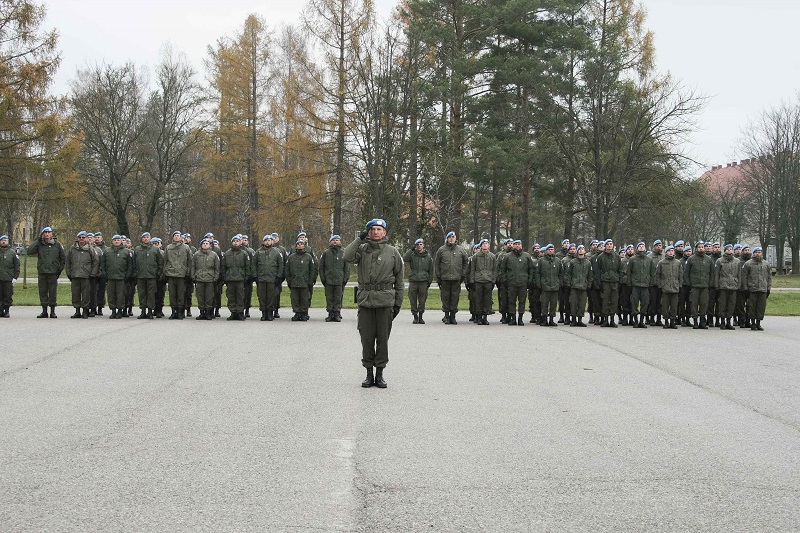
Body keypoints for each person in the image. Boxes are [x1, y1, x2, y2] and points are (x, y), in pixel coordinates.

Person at [344, 218, 404, 389]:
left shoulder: (393, 252)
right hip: (366, 302)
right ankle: (369, 373)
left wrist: (397, 303)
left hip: (385, 303)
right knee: (367, 339)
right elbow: (347, 256)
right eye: (372, 229)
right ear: (368, 232)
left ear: (384, 232)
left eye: (379, 229)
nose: (376, 232)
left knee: (383, 340)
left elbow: (399, 281)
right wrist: (359, 239)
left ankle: (380, 373)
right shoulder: (362, 250)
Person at [26, 226, 65, 318]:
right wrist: (38, 241)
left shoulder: (57, 244)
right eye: (45, 233)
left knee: (52, 292)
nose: (47, 234)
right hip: (42, 271)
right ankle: (44, 310)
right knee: (42, 291)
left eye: (48, 232)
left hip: (53, 272)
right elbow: (29, 251)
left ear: (51, 234)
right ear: (43, 234)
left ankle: (52, 311)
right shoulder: (40, 244)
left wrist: (59, 269)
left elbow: (63, 258)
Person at [435, 231, 468, 324]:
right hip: (445, 278)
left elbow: (466, 262)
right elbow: (437, 264)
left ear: (456, 238)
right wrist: (438, 276)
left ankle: (453, 316)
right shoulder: (441, 250)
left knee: (455, 297)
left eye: (453, 237)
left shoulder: (461, 250)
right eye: (450, 237)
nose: (452, 238)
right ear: (447, 239)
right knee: (445, 297)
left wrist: (463, 274)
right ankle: (446, 316)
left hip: (456, 278)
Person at [65, 231, 100, 319]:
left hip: (86, 275)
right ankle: (77, 311)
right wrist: (69, 272)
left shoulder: (90, 249)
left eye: (83, 237)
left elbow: (96, 262)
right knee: (75, 293)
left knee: (85, 295)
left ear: (86, 238)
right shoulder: (72, 249)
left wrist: (93, 273)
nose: (81, 239)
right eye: (80, 237)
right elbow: (68, 261)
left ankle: (85, 311)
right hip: (75, 275)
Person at [501, 239, 534, 326]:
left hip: (523, 283)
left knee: (522, 301)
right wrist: (505, 280)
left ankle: (520, 318)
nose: (517, 246)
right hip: (512, 283)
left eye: (519, 244)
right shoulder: (507, 256)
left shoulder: (526, 256)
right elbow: (502, 270)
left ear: (521, 246)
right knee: (512, 301)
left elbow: (531, 269)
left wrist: (529, 280)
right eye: (516, 244)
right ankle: (513, 318)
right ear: (513, 246)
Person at [251, 234, 284, 321]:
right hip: (261, 278)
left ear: (272, 241)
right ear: (263, 241)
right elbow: (253, 265)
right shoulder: (258, 252)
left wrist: (279, 276)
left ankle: (270, 313)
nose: (267, 242)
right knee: (262, 297)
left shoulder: (276, 252)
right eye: (266, 240)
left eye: (269, 240)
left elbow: (281, 265)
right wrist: (255, 276)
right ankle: (263, 313)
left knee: (271, 297)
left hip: (272, 278)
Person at [101, 235, 134, 319]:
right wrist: (105, 274)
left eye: (118, 240)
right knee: (111, 295)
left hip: (121, 278)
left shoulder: (126, 252)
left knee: (121, 295)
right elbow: (103, 264)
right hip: (110, 278)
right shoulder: (107, 251)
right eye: (115, 240)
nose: (116, 241)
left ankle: (120, 311)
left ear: (121, 241)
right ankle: (113, 311)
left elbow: (130, 265)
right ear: (112, 241)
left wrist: (127, 276)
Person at [319, 234, 350, 322]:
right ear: (330, 242)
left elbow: (347, 268)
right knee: (329, 297)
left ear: (340, 241)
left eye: (337, 240)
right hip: (328, 279)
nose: (335, 242)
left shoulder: (344, 252)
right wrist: (323, 279)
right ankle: (330, 313)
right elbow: (321, 267)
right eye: (333, 240)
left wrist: (345, 279)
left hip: (339, 280)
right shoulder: (326, 253)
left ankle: (337, 313)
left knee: (338, 297)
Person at [404, 238, 434, 324]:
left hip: (423, 281)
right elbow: (404, 258)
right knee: (412, 299)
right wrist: (411, 250)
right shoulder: (412, 255)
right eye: (417, 245)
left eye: (421, 244)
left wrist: (429, 281)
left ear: (423, 245)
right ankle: (415, 316)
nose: (419, 246)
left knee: (422, 300)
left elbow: (431, 270)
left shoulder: (428, 256)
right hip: (413, 280)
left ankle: (421, 316)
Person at [285, 239, 317, 321]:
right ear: (296, 246)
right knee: (295, 298)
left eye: (301, 244)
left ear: (304, 246)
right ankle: (297, 313)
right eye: (298, 244)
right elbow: (287, 270)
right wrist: (289, 280)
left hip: (305, 282)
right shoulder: (291, 257)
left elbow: (312, 270)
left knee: (304, 299)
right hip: (294, 282)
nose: (299, 245)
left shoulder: (308, 257)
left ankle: (304, 313)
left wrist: (310, 281)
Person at [134, 232, 164, 319]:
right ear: (142, 239)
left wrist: (158, 273)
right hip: (141, 276)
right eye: (144, 237)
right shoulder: (137, 249)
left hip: (151, 276)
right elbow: (134, 263)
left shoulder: (155, 249)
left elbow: (160, 262)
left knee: (151, 294)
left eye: (147, 237)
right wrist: (136, 273)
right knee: (142, 294)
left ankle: (150, 311)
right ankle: (143, 311)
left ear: (150, 238)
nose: (146, 239)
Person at [164, 230, 193, 319]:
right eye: (175, 235)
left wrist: (187, 272)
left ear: (181, 237)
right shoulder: (168, 248)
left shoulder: (186, 248)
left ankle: (180, 312)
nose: (176, 237)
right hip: (171, 273)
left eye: (178, 235)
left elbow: (189, 261)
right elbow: (165, 261)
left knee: (181, 294)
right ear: (173, 237)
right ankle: (173, 312)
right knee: (172, 294)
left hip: (181, 274)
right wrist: (165, 271)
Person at [685, 241, 713, 329]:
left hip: (704, 286)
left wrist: (709, 283)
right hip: (694, 286)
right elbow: (686, 273)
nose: (701, 248)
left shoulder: (708, 259)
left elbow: (712, 273)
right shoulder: (691, 259)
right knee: (694, 303)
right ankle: (695, 321)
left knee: (704, 303)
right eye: (699, 247)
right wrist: (689, 284)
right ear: (696, 248)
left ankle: (702, 321)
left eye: (702, 247)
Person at [222, 235, 251, 321]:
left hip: (240, 279)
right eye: (234, 241)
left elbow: (247, 267)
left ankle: (240, 312)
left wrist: (246, 277)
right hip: (230, 279)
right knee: (231, 296)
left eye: (237, 241)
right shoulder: (227, 254)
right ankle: (233, 312)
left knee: (240, 296)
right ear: (232, 242)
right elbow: (223, 267)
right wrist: (225, 277)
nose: (235, 242)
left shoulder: (244, 253)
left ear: (240, 242)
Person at [742, 246, 771, 331]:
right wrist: (746, 288)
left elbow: (769, 277)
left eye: (759, 252)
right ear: (754, 253)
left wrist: (768, 288)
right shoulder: (748, 264)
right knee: (752, 306)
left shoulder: (766, 264)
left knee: (761, 307)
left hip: (762, 288)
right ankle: (753, 323)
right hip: (752, 289)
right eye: (756, 252)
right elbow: (745, 277)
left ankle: (758, 323)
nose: (758, 254)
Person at [468, 238, 496, 325]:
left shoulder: (492, 256)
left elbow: (494, 270)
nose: (485, 245)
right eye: (483, 243)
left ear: (489, 245)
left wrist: (493, 281)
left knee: (487, 300)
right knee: (478, 299)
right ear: (480, 246)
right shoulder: (476, 256)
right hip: (478, 280)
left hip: (488, 280)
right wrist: (471, 281)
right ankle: (479, 317)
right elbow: (472, 269)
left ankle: (485, 316)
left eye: (486, 243)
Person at [627, 242, 654, 328]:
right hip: (635, 285)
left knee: (645, 304)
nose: (642, 247)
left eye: (643, 246)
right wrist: (629, 283)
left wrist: (650, 283)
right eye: (640, 246)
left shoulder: (649, 260)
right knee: (634, 303)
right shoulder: (632, 259)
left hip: (645, 285)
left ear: (645, 248)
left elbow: (652, 272)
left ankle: (642, 321)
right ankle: (635, 321)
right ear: (637, 248)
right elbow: (629, 272)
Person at [192, 238, 221, 320]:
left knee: (209, 297)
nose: (205, 244)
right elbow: (193, 266)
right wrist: (193, 276)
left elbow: (217, 268)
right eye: (203, 243)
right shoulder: (196, 254)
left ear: (210, 245)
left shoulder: (214, 255)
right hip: (200, 278)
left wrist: (216, 277)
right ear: (201, 245)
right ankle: (201, 312)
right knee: (200, 296)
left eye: (207, 243)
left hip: (210, 279)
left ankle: (208, 313)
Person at [655, 245, 682, 329]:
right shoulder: (661, 262)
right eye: (669, 251)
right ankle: (666, 321)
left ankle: (672, 322)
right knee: (665, 306)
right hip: (665, 288)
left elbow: (680, 275)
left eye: (672, 251)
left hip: (675, 288)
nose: (671, 252)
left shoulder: (678, 262)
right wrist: (660, 285)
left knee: (674, 306)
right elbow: (657, 275)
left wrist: (679, 285)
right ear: (666, 252)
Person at [596, 239, 622, 327]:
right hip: (605, 282)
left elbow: (619, 270)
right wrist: (599, 282)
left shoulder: (617, 256)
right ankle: (605, 319)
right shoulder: (600, 257)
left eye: (611, 244)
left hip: (614, 281)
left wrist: (618, 280)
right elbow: (598, 270)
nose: (610, 246)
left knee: (614, 301)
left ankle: (612, 319)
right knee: (605, 301)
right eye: (608, 244)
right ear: (605, 246)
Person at [714, 244, 740, 330]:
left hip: (733, 285)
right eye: (728, 249)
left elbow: (739, 274)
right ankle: (722, 322)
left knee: (731, 304)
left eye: (731, 249)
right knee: (722, 304)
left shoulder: (737, 261)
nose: (729, 250)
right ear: (725, 250)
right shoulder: (719, 261)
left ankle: (729, 321)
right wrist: (717, 285)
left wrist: (738, 284)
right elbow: (717, 274)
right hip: (723, 286)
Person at [567, 244, 593, 327]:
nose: (581, 250)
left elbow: (590, 275)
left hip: (583, 286)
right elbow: (568, 274)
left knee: (582, 304)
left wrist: (588, 284)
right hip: (574, 286)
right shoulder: (573, 262)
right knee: (573, 303)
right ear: (577, 251)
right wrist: (569, 283)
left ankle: (580, 320)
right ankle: (573, 319)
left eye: (583, 249)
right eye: (580, 249)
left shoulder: (588, 263)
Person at [537, 244, 562, 326]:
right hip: (545, 285)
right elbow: (538, 273)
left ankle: (551, 319)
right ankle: (544, 319)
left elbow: (561, 273)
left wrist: (559, 282)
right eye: (549, 249)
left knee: (553, 304)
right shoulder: (541, 261)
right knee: (544, 303)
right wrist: (539, 283)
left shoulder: (558, 261)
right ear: (546, 251)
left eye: (552, 249)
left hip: (555, 285)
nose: (550, 251)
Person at [0, 234, 20, 317]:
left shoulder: (12, 252)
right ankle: (0, 310)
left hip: (8, 278)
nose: (3, 242)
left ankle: (7, 310)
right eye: (2, 240)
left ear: (8, 241)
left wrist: (15, 277)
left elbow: (17, 266)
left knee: (8, 295)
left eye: (5, 240)